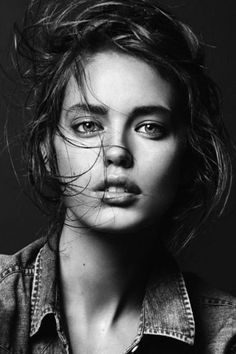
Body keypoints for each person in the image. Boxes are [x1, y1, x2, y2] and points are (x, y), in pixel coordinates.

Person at [0, 0, 235, 352]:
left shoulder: (226, 337)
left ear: (187, 155)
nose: (116, 152)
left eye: (149, 127)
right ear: (46, 151)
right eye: (88, 126)